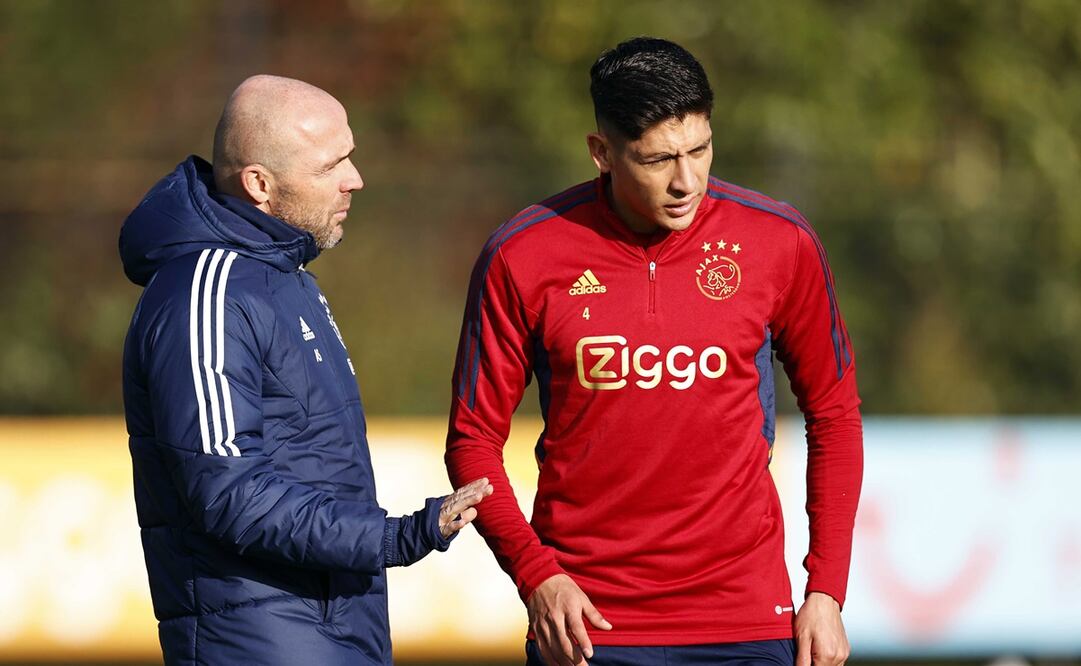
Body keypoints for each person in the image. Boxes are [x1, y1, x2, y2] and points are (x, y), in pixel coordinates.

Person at [445, 38, 863, 666]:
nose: (686, 180)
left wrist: (827, 590)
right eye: (658, 159)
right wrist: (537, 578)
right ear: (602, 153)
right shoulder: (523, 255)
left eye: (700, 149)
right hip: (588, 627)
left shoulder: (780, 243)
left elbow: (834, 414)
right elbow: (472, 441)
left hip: (746, 623)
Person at [120, 75, 492, 666]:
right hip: (260, 639)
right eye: (329, 167)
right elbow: (228, 493)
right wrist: (390, 538)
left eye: (350, 155)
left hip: (333, 624)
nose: (355, 179)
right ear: (259, 184)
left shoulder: (285, 279)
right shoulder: (206, 293)